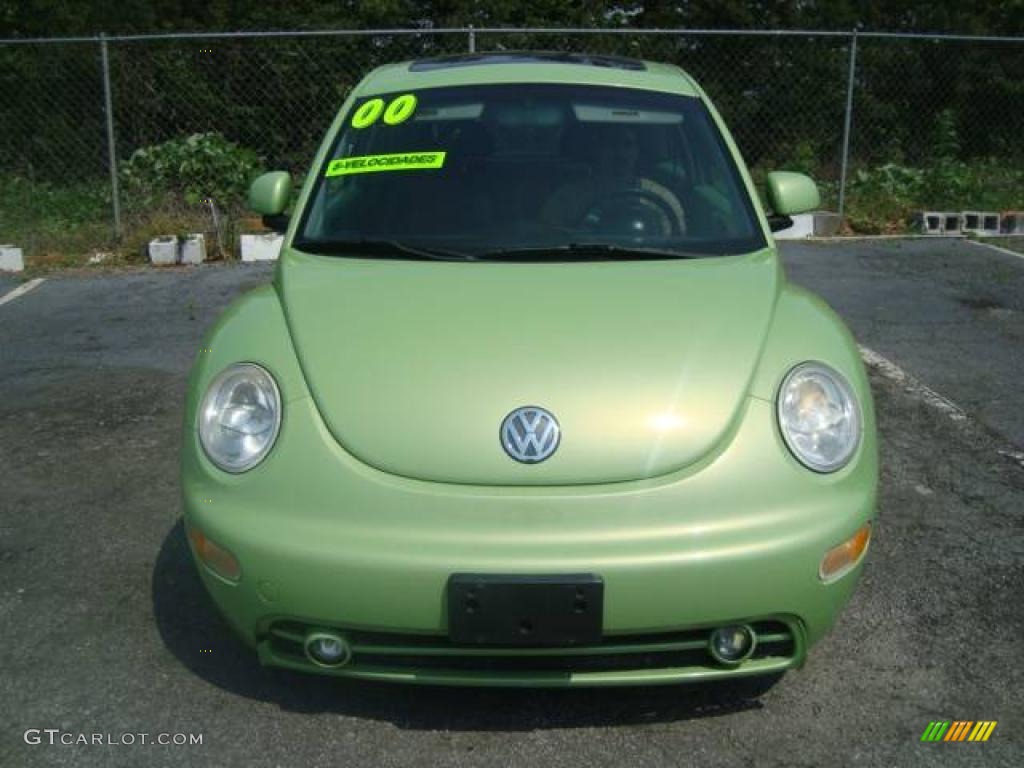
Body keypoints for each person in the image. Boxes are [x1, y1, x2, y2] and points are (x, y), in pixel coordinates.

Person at [542, 124, 686, 236]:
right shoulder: (568, 198)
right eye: (611, 144)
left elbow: (674, 244)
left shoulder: (662, 198)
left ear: (638, 150)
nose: (620, 154)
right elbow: (549, 240)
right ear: (597, 150)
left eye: (628, 145)